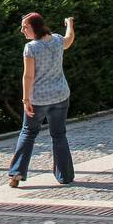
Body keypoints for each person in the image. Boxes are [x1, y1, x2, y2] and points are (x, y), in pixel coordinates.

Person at [8, 12, 76, 188]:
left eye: (25, 27)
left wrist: (25, 99)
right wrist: (69, 23)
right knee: (59, 134)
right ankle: (65, 176)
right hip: (61, 95)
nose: (22, 30)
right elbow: (69, 39)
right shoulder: (57, 40)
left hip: (38, 99)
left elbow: (28, 76)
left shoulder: (31, 48)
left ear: (35, 27)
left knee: (28, 133)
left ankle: (16, 174)